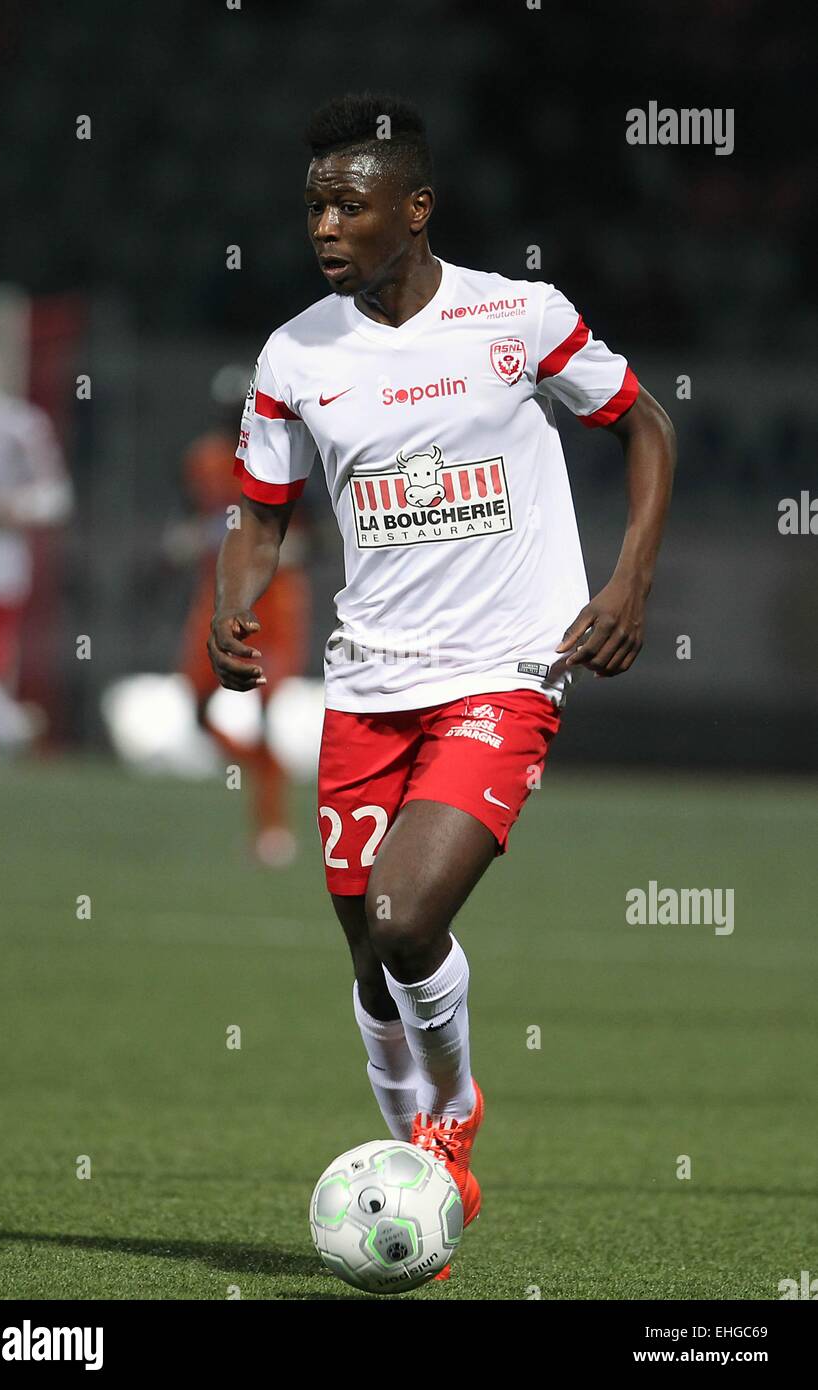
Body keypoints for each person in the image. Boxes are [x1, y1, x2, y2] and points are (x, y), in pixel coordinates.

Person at [208, 92, 675, 1277]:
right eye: (313, 203)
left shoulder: (518, 319)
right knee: (366, 949)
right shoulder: (294, 354)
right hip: (367, 681)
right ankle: (411, 1165)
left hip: (503, 672)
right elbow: (261, 516)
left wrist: (625, 583)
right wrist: (232, 602)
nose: (324, 224)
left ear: (412, 210)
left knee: (409, 914)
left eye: (347, 204)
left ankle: (451, 1112)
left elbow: (647, 427)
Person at [167, 372, 310, 865]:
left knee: (267, 710)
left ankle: (271, 824)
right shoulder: (204, 458)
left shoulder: (281, 453)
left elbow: (311, 527)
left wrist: (287, 549)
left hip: (275, 596)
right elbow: (191, 517)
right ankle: (259, 767)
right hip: (218, 592)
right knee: (198, 706)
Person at [0, 324, 72, 826]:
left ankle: (4, 723)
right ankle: (6, 722)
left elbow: (56, 497)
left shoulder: (20, 425)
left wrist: (7, 509)